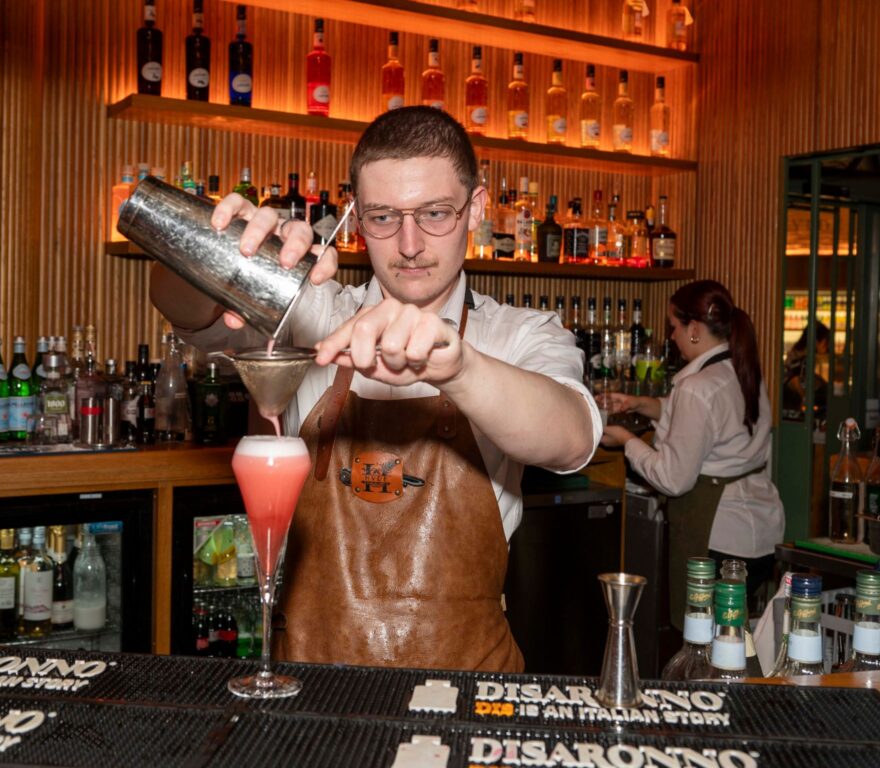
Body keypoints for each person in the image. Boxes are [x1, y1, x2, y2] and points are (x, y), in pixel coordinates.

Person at [150, 106, 601, 672]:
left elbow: (571, 436)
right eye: (384, 218)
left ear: (477, 209)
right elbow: (183, 309)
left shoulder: (518, 335)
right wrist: (205, 243)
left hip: (468, 690)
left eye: (436, 213)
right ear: (356, 218)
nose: (409, 244)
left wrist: (459, 368)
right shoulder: (309, 312)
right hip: (311, 688)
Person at [600, 280, 784, 629]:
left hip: (718, 536)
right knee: (735, 635)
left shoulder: (696, 387)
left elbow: (674, 478)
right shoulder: (741, 369)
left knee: (705, 639)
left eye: (674, 327)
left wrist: (627, 441)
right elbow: (710, 420)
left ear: (695, 329)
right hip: (761, 534)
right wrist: (641, 403)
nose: (672, 337)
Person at [782, 320, 830, 420]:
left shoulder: (798, 354)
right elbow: (794, 380)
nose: (827, 347)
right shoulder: (802, 358)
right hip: (793, 407)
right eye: (825, 343)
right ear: (816, 342)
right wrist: (806, 398)